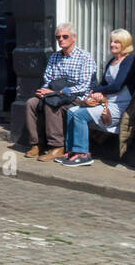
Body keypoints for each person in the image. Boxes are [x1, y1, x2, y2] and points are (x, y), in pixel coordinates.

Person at [58, 30, 135, 167]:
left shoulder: (129, 61)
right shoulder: (112, 61)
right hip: (107, 103)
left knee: (80, 115)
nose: (112, 44)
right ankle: (72, 151)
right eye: (111, 41)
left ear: (125, 43)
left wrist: (98, 91)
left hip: (120, 107)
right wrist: (96, 92)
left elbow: (117, 86)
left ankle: (83, 154)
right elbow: (103, 83)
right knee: (72, 111)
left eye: (117, 42)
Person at [24, 23, 96, 162]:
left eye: (65, 36)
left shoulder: (84, 57)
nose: (61, 40)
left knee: (52, 103)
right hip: (55, 93)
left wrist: (59, 92)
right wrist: (44, 90)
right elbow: (48, 78)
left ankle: (57, 146)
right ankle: (37, 143)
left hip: (77, 96)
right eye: (58, 37)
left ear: (74, 38)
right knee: (31, 103)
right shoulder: (54, 57)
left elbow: (84, 86)